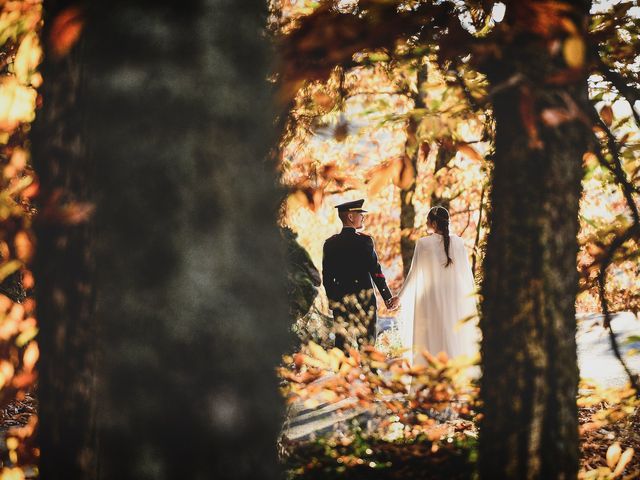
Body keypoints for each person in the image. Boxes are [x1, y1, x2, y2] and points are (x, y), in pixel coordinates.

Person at [396, 206, 480, 365]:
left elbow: (413, 274)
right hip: (454, 297)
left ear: (434, 223)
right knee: (452, 334)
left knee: (431, 337)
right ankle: (453, 372)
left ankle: (430, 374)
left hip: (430, 299)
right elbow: (464, 274)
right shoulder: (459, 242)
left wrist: (399, 298)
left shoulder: (423, 244)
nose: (426, 223)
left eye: (427, 221)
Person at [322, 199, 399, 350]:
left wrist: (333, 302)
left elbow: (327, 277)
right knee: (368, 349)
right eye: (360, 214)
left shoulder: (330, 244)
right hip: (366, 303)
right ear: (350, 217)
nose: (363, 217)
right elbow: (377, 273)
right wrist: (387, 298)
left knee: (343, 349)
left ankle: (344, 374)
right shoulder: (365, 242)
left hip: (341, 303)